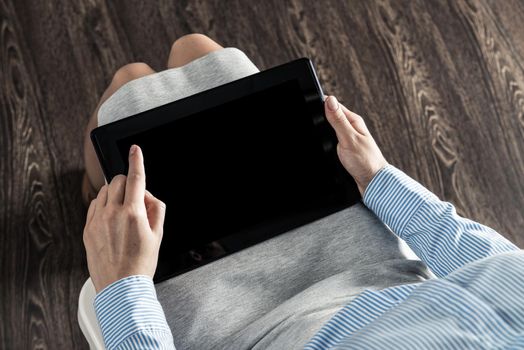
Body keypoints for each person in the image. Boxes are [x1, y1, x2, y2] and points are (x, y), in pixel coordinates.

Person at [83, 34, 523, 349]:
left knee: (128, 84)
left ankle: (92, 191)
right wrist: (378, 179)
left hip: (240, 329)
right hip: (374, 271)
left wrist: (125, 284)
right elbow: (494, 267)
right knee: (199, 49)